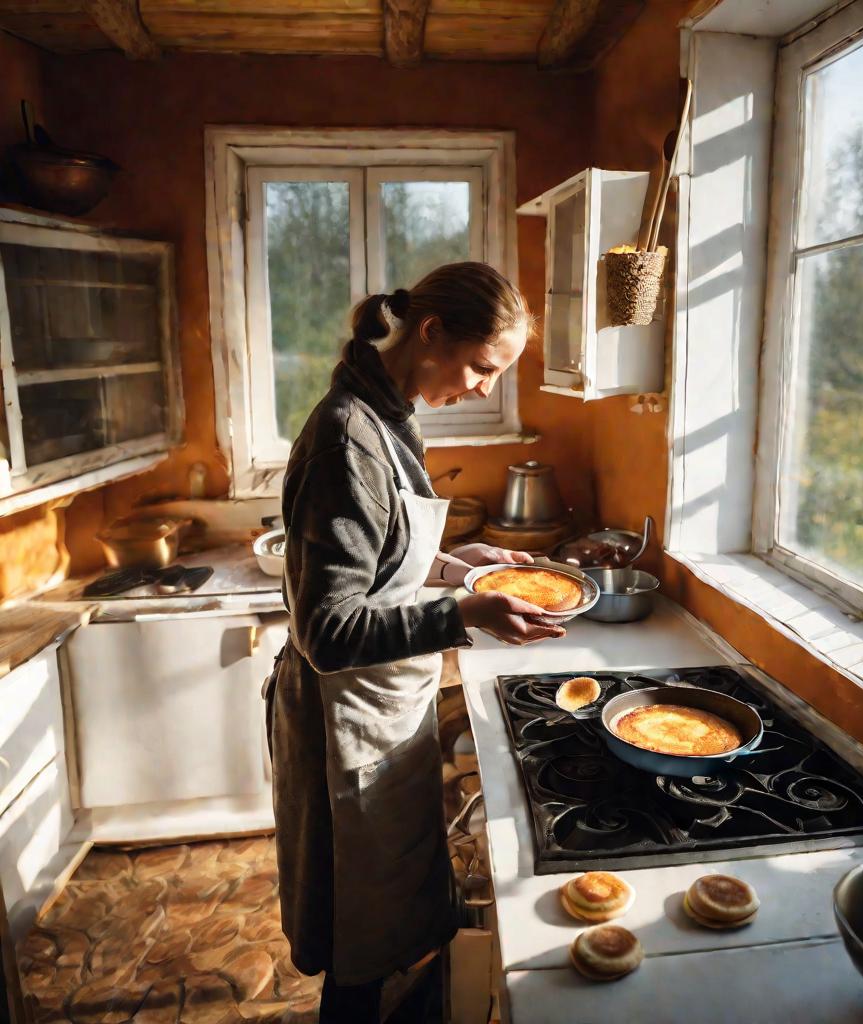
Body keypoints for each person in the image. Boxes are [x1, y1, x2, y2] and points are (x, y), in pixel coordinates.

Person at [264, 262, 565, 1024]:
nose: (485, 388)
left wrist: (456, 565)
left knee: (388, 927)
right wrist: (467, 612)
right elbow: (329, 630)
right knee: (359, 948)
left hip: (382, 711)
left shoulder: (389, 415)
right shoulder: (346, 440)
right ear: (430, 332)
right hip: (344, 729)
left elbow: (379, 559)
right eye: (481, 367)